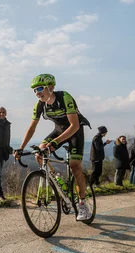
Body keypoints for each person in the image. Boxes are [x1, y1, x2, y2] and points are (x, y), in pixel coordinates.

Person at [14, 73, 93, 221]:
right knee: (39, 152)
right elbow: (31, 128)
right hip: (59, 130)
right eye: (34, 90)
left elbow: (74, 125)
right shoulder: (39, 105)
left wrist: (56, 142)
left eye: (40, 88)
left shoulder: (65, 97)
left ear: (50, 87)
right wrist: (21, 147)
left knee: (75, 166)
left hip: (74, 131)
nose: (37, 93)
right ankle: (56, 179)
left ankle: (82, 203)